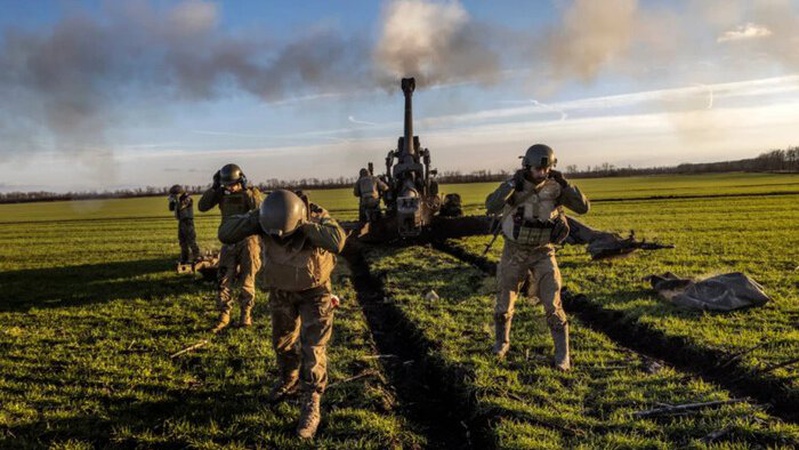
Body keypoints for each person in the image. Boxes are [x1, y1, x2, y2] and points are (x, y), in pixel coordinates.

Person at [218, 189, 346, 439]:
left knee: (313, 348)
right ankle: (289, 379)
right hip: (281, 292)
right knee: (282, 342)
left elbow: (337, 241)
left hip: (315, 293)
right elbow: (225, 233)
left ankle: (311, 401)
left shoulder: (317, 217)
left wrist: (308, 227)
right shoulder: (265, 219)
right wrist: (255, 219)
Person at [485, 144, 590, 371]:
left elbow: (583, 209)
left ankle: (563, 356)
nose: (542, 173)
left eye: (546, 168)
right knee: (505, 303)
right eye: (537, 169)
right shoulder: (514, 186)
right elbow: (491, 205)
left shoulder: (557, 188)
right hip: (514, 252)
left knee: (553, 304)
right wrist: (510, 185)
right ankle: (501, 343)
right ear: (527, 166)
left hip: (544, 252)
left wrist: (567, 186)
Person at [198, 163, 263, 332]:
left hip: (249, 242)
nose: (230, 188)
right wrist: (214, 189)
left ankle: (245, 315)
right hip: (229, 242)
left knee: (247, 281)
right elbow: (202, 206)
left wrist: (246, 190)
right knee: (224, 280)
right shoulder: (221, 193)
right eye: (226, 185)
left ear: (240, 180)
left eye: (232, 184)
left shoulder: (251, 192)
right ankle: (224, 316)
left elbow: (259, 209)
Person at [168, 184, 201, 263]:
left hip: (187, 221)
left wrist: (177, 200)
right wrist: (171, 202)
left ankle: (197, 256)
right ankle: (184, 258)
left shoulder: (186, 199)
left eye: (174, 194)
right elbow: (171, 209)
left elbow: (182, 206)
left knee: (191, 240)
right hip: (181, 221)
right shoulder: (178, 200)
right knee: (182, 241)